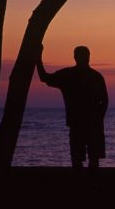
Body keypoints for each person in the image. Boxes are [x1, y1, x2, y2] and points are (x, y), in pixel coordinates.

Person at [37, 45, 108, 173]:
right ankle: (93, 189)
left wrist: (38, 59)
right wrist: (98, 118)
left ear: (75, 57)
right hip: (91, 124)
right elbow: (105, 101)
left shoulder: (68, 75)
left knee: (78, 160)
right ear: (88, 57)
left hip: (78, 124)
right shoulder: (96, 77)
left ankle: (81, 187)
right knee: (93, 160)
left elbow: (44, 77)